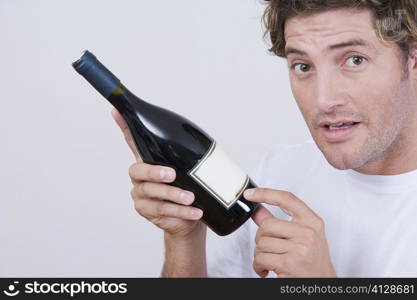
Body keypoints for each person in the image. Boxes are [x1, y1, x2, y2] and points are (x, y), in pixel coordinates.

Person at [112, 0, 417, 277]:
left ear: (412, 61)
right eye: (303, 66)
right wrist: (184, 238)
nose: (323, 99)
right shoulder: (280, 170)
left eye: (355, 60)